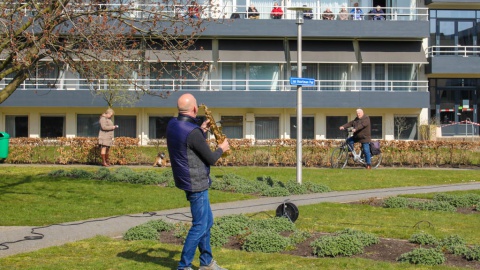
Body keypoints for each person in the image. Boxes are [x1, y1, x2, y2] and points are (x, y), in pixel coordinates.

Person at [166, 93, 230, 270]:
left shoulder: (173, 124)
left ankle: (206, 262)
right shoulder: (192, 133)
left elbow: (188, 143)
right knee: (200, 225)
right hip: (197, 182)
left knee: (207, 222)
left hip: (186, 179)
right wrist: (221, 148)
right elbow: (210, 158)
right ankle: (184, 266)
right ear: (194, 109)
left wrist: (202, 130)